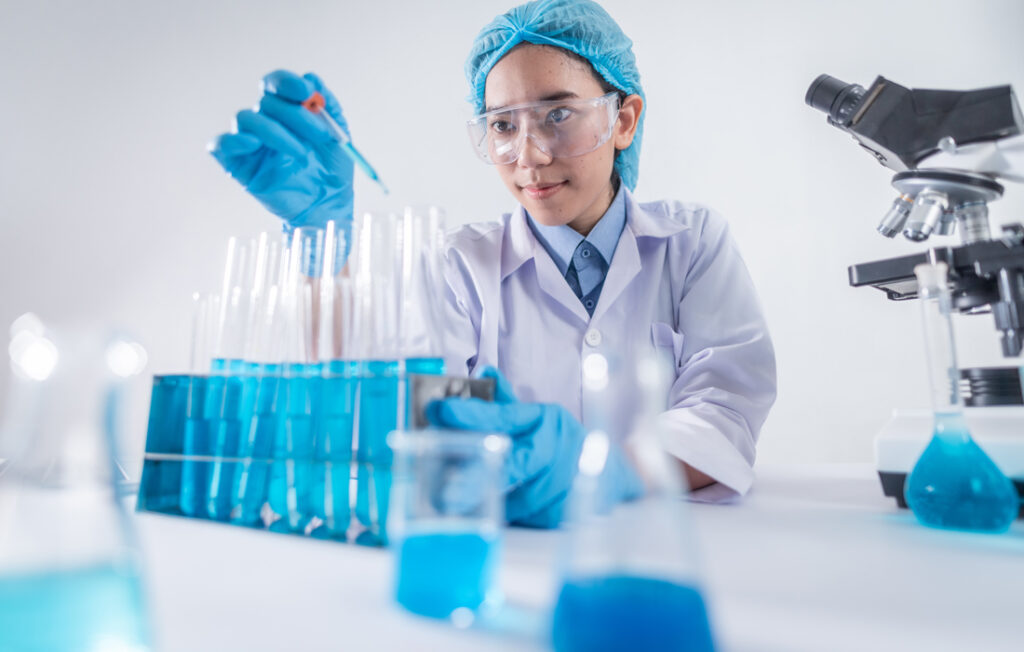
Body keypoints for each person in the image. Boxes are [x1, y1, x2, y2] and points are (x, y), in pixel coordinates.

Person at [209, 0, 777, 528]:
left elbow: (724, 411)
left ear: (622, 121)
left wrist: (607, 472)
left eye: (558, 113)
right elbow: (397, 408)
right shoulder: (459, 264)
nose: (529, 155)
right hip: (507, 552)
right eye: (503, 124)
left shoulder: (692, 240)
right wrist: (321, 250)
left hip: (662, 545)